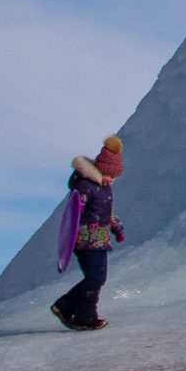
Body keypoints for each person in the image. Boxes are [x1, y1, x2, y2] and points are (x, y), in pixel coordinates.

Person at [50, 136, 125, 331]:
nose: (111, 181)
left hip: (99, 240)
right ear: (102, 171)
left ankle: (64, 307)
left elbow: (108, 212)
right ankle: (85, 317)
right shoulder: (86, 186)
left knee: (96, 277)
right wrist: (72, 234)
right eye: (110, 176)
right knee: (96, 278)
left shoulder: (104, 189)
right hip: (86, 240)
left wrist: (118, 228)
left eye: (114, 178)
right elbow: (75, 209)